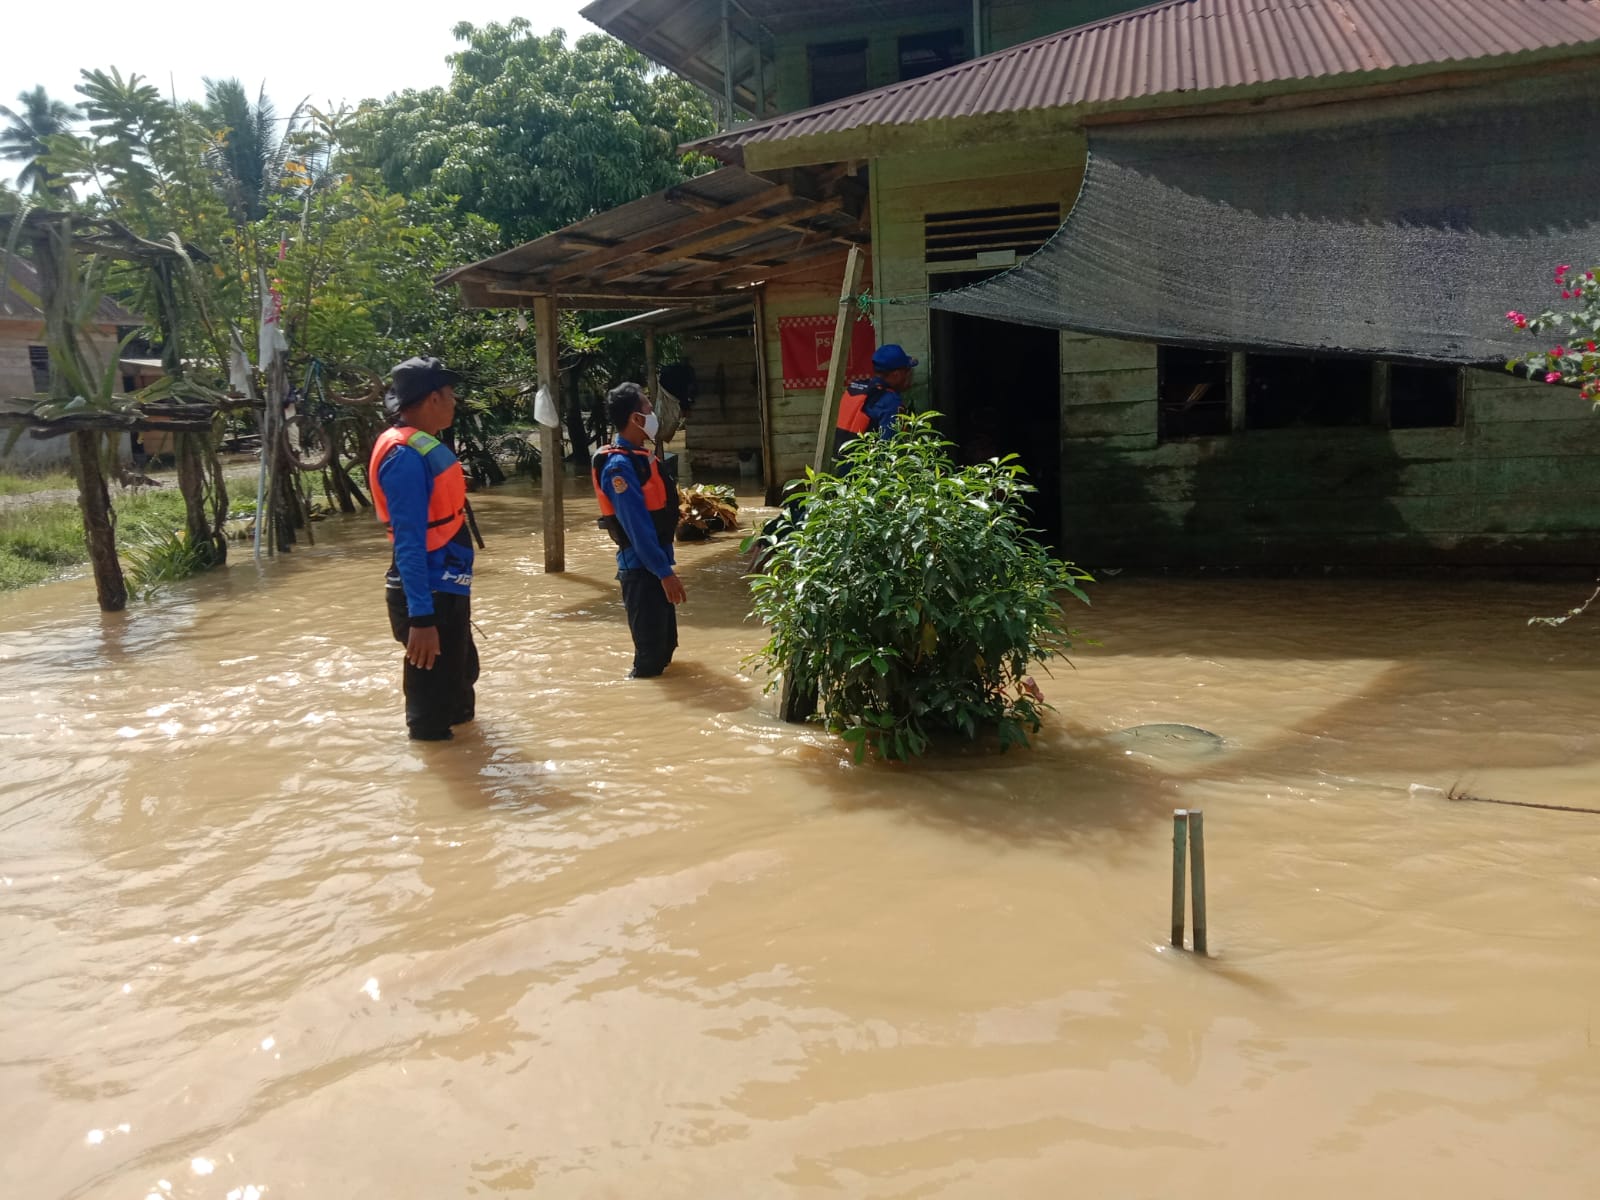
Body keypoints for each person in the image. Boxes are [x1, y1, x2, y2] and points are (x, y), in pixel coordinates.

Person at [370, 356, 478, 741]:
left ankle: (468, 759)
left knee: (461, 686)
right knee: (431, 716)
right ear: (433, 399)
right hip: (427, 594)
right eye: (450, 394)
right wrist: (422, 620)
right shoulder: (403, 458)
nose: (454, 401)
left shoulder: (421, 445)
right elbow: (409, 543)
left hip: (447, 583)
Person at [592, 382, 686, 678]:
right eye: (648, 407)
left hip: (655, 567)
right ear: (636, 418)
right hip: (641, 571)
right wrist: (664, 573)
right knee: (648, 663)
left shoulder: (641, 457)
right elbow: (636, 527)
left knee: (665, 650)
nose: (653, 413)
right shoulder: (619, 467)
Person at [833, 343, 918, 455]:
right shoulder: (890, 401)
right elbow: (887, 449)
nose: (909, 375)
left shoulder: (855, 387)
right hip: (863, 464)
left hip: (838, 461)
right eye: (907, 371)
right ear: (896, 375)